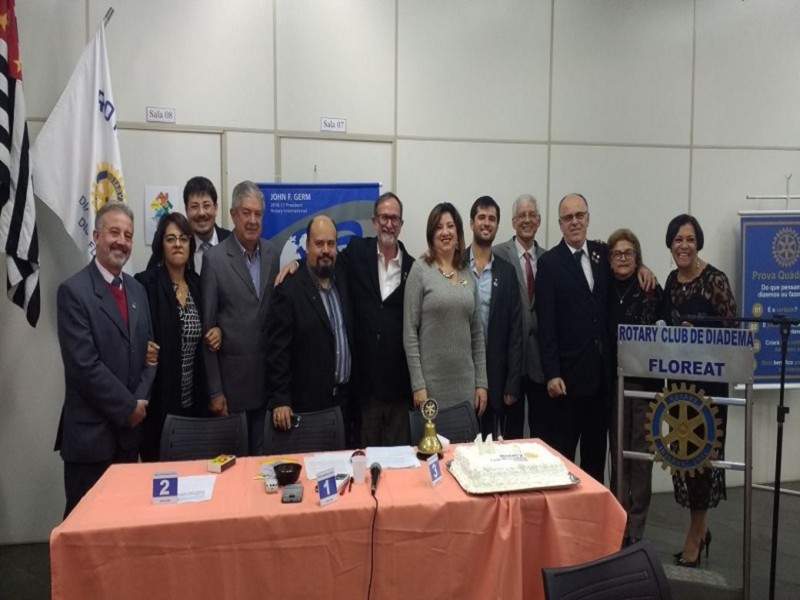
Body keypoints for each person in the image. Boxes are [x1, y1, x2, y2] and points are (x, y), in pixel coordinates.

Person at [275, 192, 415, 447]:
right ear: (374, 221)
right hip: (359, 393)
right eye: (384, 217)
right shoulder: (357, 253)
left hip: (395, 389)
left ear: (402, 224)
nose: (388, 224)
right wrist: (297, 263)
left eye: (394, 218)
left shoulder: (413, 269)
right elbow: (321, 261)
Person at [55, 202, 155, 518]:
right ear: (97, 237)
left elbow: (150, 354)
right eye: (114, 232)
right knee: (85, 527)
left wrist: (140, 400)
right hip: (91, 440)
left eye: (128, 235)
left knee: (123, 525)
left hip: (129, 439)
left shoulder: (137, 290)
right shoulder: (73, 292)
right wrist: (128, 408)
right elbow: (84, 367)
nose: (121, 241)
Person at [662, 214, 736, 568]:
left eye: (690, 239)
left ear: (699, 243)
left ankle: (694, 536)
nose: (684, 246)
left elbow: (733, 336)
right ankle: (700, 531)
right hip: (678, 390)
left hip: (708, 392)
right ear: (670, 245)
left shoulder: (715, 281)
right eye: (678, 239)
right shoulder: (671, 282)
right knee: (684, 462)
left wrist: (701, 336)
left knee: (702, 464)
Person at [135, 213, 222, 461]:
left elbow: (213, 320)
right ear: (160, 244)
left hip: (194, 401)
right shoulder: (146, 284)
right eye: (170, 239)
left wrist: (218, 331)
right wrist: (142, 347)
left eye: (184, 239)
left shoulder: (198, 284)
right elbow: (135, 333)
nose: (177, 244)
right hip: (159, 402)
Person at [201, 180, 279, 455]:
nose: (252, 220)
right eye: (246, 213)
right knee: (234, 467)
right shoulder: (215, 259)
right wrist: (215, 392)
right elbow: (208, 331)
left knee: (263, 466)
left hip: (267, 386)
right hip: (232, 390)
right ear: (233, 215)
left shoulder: (272, 253)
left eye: (258, 214)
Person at [266, 216, 354, 434]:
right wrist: (280, 399)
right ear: (307, 246)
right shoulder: (288, 289)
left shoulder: (344, 279)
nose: (326, 250)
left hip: (345, 403)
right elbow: (277, 351)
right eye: (319, 243)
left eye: (331, 244)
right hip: (306, 406)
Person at [403, 202, 488, 418]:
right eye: (439, 227)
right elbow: (410, 332)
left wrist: (481, 383)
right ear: (431, 234)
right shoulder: (420, 270)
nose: (445, 232)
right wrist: (418, 384)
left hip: (466, 386)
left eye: (450, 226)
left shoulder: (467, 273)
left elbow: (477, 334)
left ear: (458, 232)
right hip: (431, 388)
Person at [607, 228, 663, 547]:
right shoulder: (603, 285)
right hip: (614, 384)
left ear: (637, 256)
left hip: (645, 386)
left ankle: (636, 528)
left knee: (641, 458)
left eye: (629, 253)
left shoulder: (651, 288)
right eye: (617, 253)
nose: (622, 258)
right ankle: (619, 522)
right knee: (618, 457)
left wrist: (645, 269)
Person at [467, 196, 523, 438]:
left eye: (492, 219)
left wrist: (511, 383)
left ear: (498, 225)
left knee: (489, 447)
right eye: (481, 217)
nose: (486, 223)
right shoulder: (455, 266)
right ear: (471, 223)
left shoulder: (507, 272)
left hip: (495, 379)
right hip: (461, 375)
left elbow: (515, 331)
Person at [493, 194, 546, 438]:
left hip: (540, 364)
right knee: (510, 435)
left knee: (541, 434)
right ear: (513, 222)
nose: (527, 220)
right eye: (521, 215)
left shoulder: (549, 259)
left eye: (532, 215)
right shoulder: (496, 255)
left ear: (539, 221)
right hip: (508, 363)